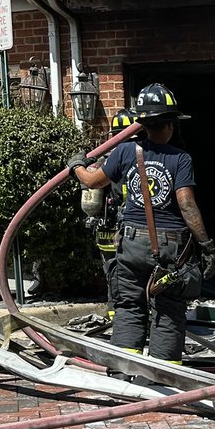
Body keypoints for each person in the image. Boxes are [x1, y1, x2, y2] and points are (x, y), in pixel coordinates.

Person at [68, 83, 215, 367]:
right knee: (168, 307)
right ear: (171, 124)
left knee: (128, 306)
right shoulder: (180, 159)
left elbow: (90, 181)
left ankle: (124, 372)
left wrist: (76, 164)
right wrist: (206, 245)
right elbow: (186, 204)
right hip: (170, 247)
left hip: (132, 243)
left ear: (143, 124)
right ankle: (165, 376)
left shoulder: (124, 152)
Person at [87, 108, 137, 318]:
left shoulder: (101, 160)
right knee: (129, 273)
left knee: (113, 273)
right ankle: (123, 316)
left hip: (107, 228)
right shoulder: (135, 157)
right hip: (125, 227)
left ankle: (116, 314)